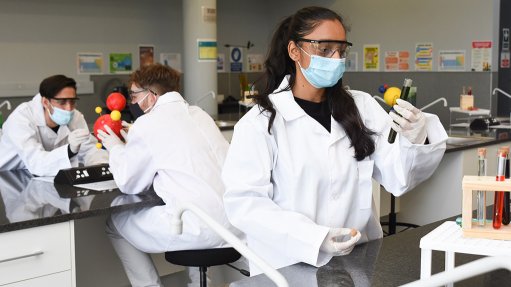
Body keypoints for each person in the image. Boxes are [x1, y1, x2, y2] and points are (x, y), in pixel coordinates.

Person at [221, 6, 448, 275]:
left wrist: (415, 138)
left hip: (357, 259)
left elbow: (399, 177)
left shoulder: (361, 107)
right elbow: (246, 204)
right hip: (287, 265)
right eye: (325, 48)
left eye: (341, 50)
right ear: (295, 51)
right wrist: (315, 238)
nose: (336, 58)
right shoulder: (260, 122)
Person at [98, 63, 237, 286]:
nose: (133, 103)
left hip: (198, 229)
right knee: (193, 209)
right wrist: (136, 137)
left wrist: (115, 147)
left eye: (134, 96)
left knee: (114, 222)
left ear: (151, 95)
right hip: (233, 226)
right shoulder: (199, 114)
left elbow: (128, 183)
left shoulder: (147, 124)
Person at [0, 75, 108, 176]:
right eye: (62, 102)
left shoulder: (75, 116)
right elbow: (37, 162)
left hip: (46, 175)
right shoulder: (21, 118)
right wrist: (70, 150)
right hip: (9, 176)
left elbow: (89, 149)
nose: (69, 108)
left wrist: (103, 166)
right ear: (46, 102)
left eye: (72, 101)